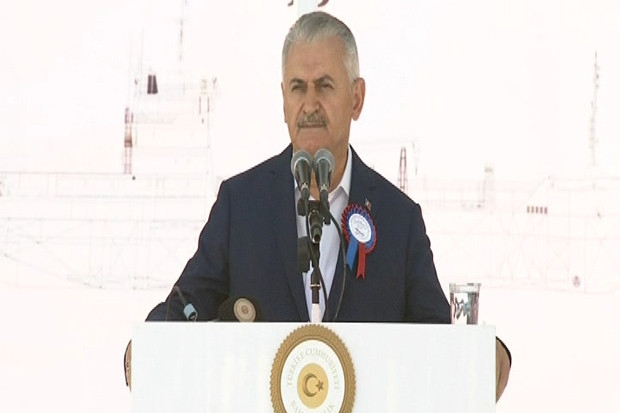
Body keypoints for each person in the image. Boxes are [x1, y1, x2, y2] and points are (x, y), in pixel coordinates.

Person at [124, 10, 511, 401]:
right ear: (283, 100)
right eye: (298, 87)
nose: (309, 104)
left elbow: (438, 339)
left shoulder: (399, 219)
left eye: (325, 86)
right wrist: (144, 347)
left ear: (356, 98)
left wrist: (486, 355)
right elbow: (186, 305)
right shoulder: (239, 204)